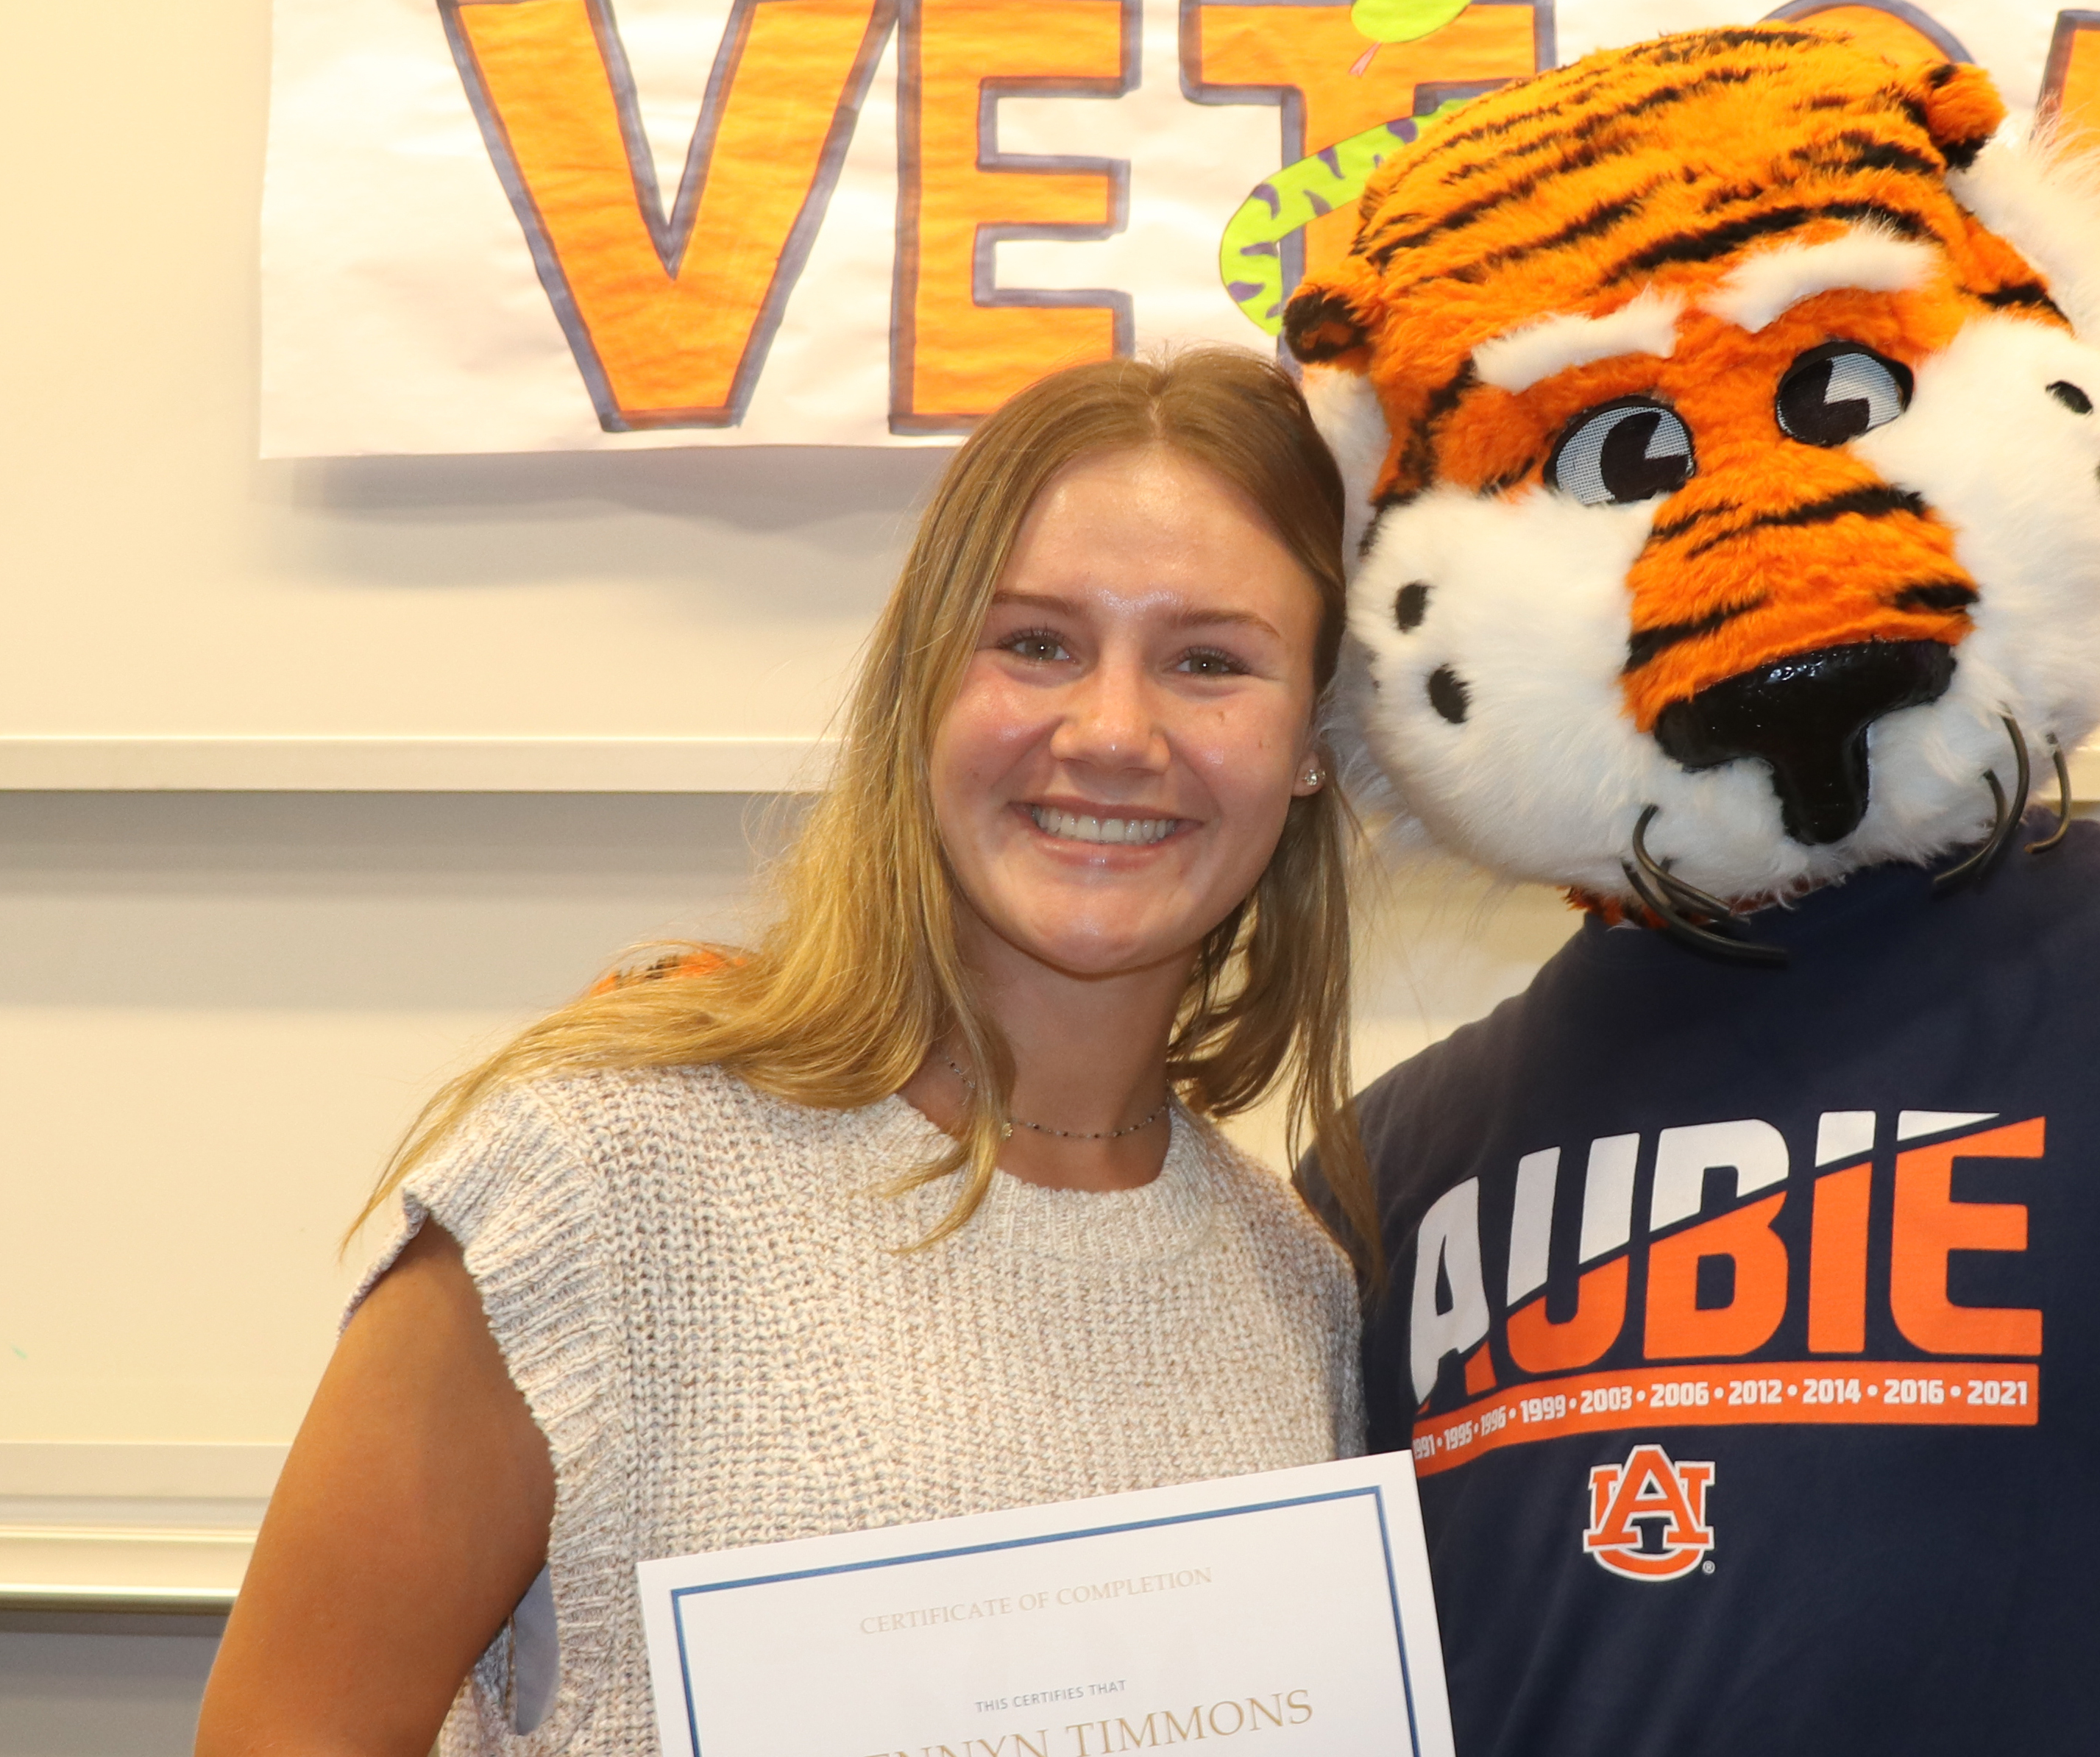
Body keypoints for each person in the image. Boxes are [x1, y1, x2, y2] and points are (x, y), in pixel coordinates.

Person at [195, 352, 1378, 1757]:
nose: (1113, 732)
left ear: (1312, 741)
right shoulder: (597, 1177)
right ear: (923, 691)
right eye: (1037, 644)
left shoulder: (1295, 1285)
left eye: (1209, 661)